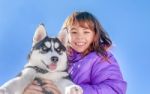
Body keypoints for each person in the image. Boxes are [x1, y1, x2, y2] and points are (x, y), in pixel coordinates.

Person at [24, 11, 127, 94]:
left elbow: (114, 89)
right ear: (66, 36)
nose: (79, 37)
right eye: (74, 32)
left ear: (95, 35)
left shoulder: (101, 58)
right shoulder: (62, 61)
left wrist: (78, 91)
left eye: (86, 32)